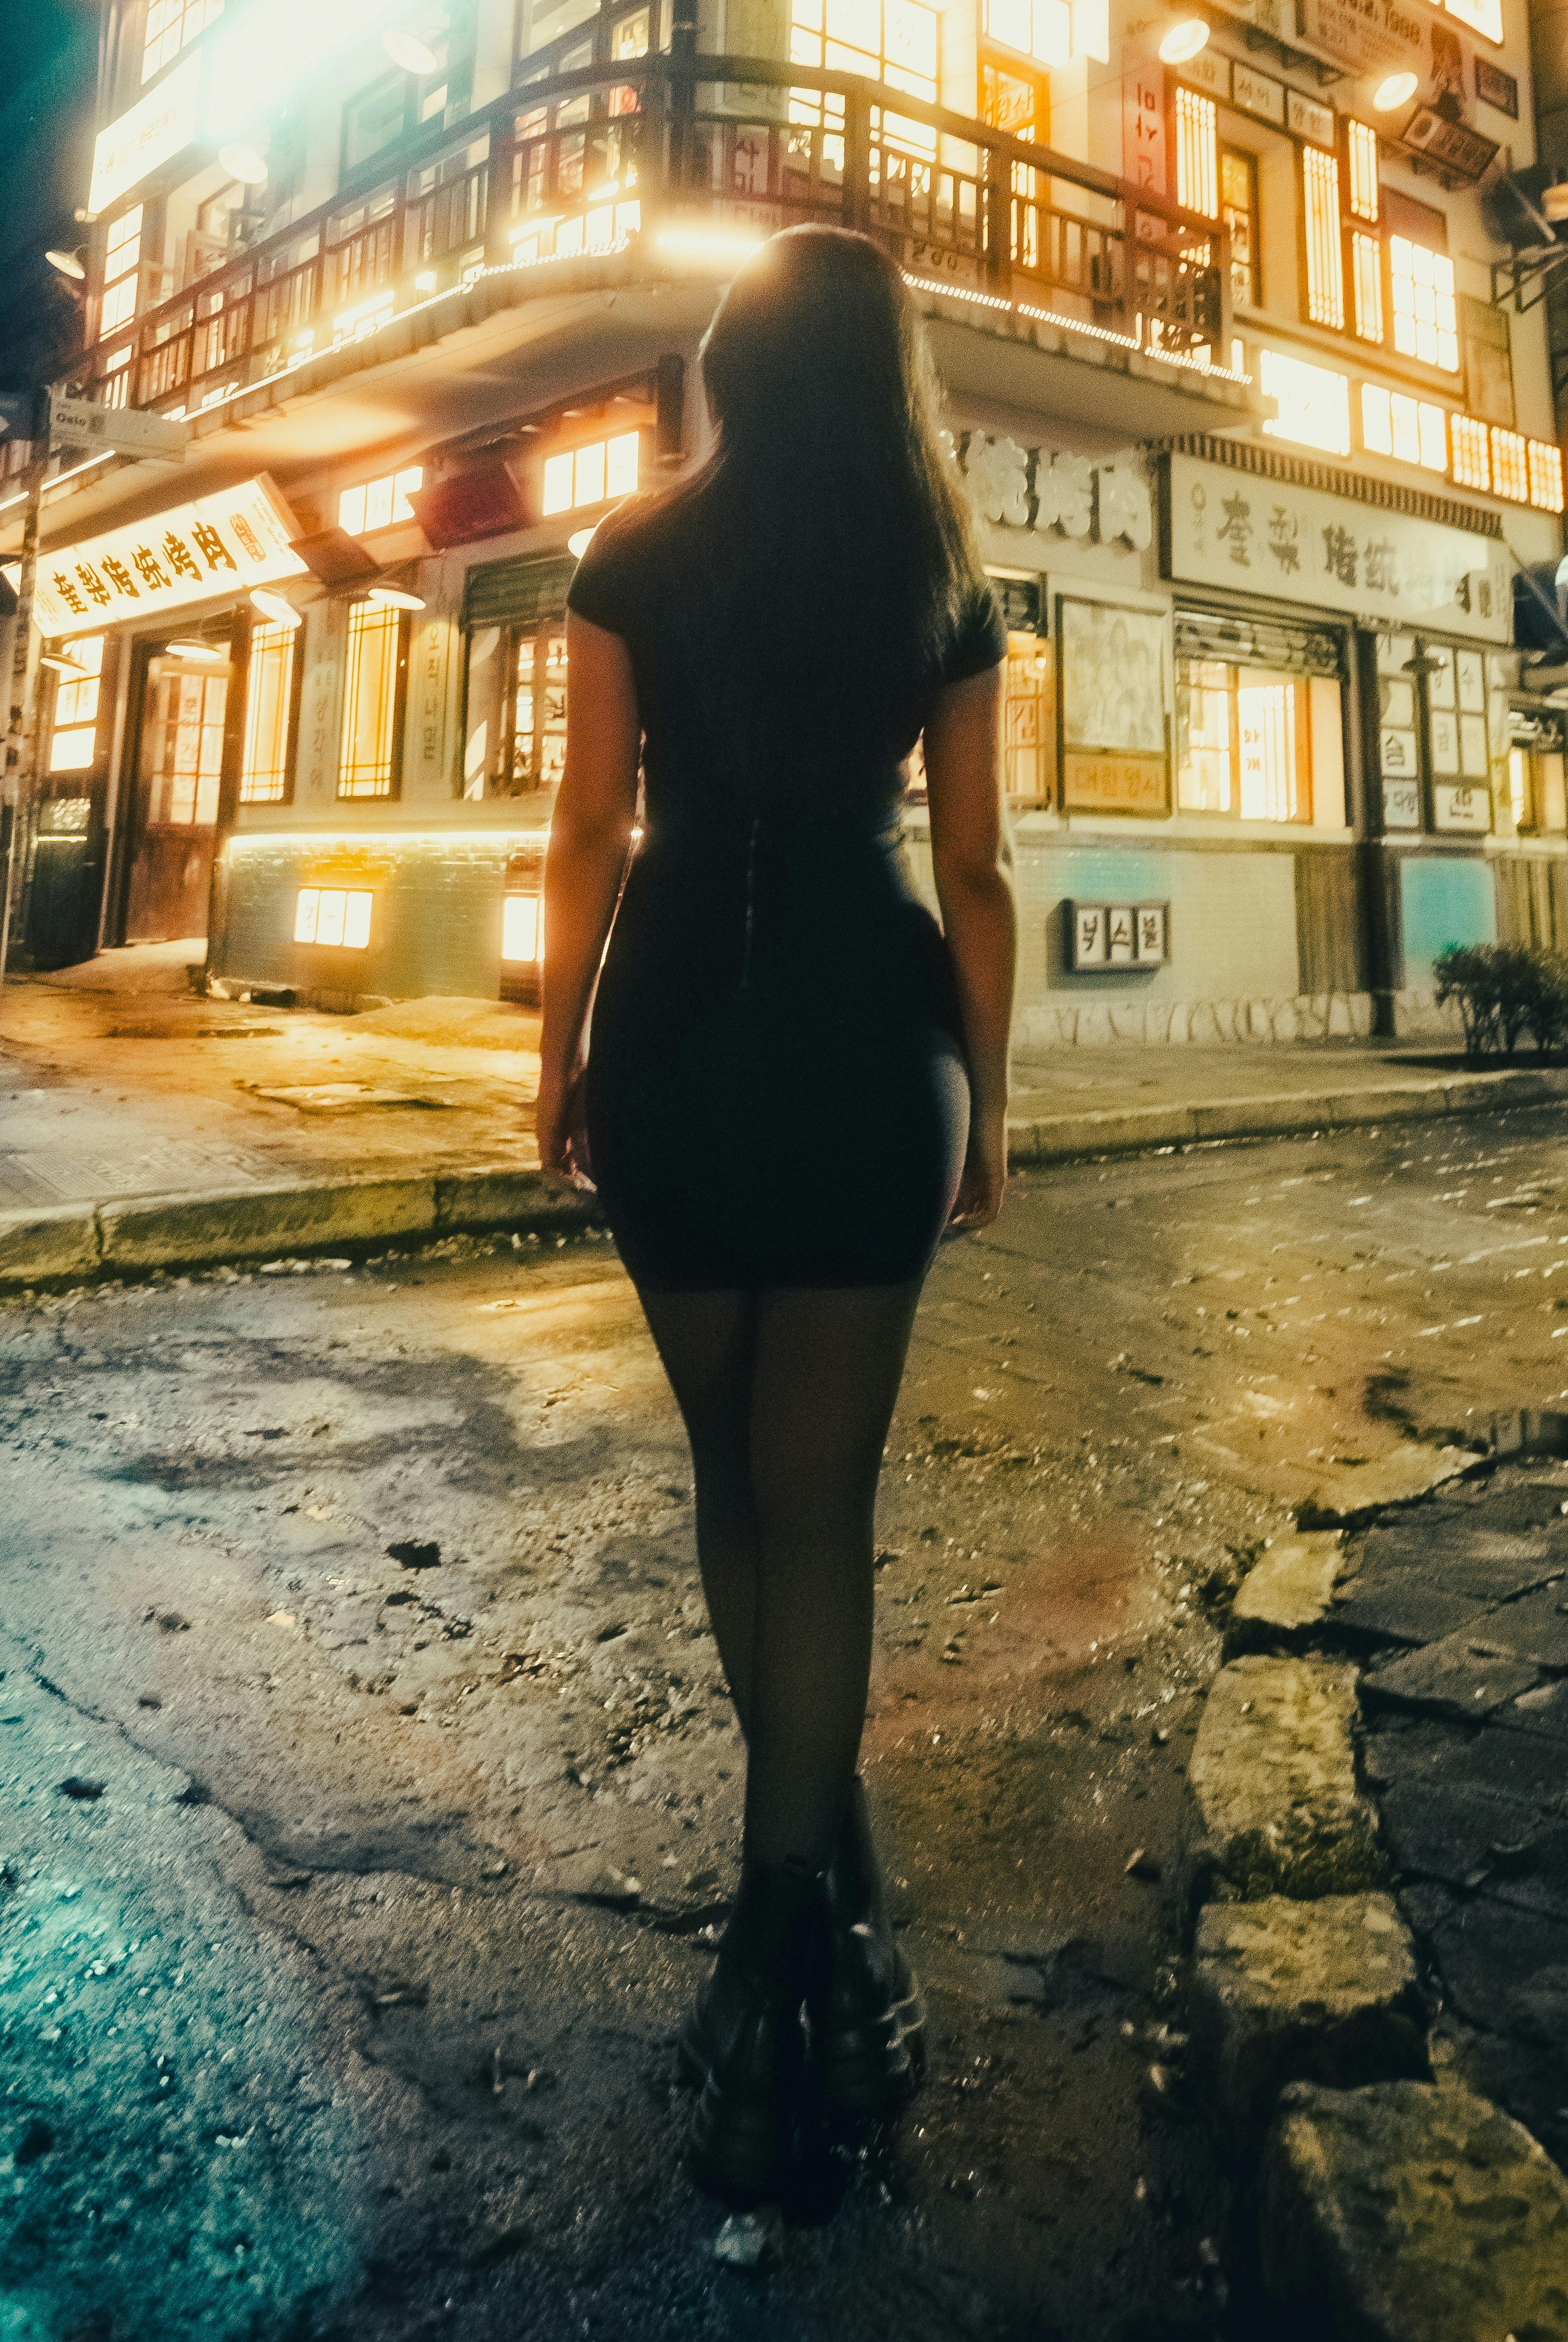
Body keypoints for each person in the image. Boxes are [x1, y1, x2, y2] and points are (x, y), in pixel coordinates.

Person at [533, 226, 1018, 2200]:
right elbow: (976, 870)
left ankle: (779, 1925)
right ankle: (796, 1924)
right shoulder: (947, 577)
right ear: (887, 375)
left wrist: (550, 1054)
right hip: (860, 1045)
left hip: (674, 1046)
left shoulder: (633, 554)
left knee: (734, 1479)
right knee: (822, 1502)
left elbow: (587, 825)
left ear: (733, 359)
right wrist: (992, 1106)